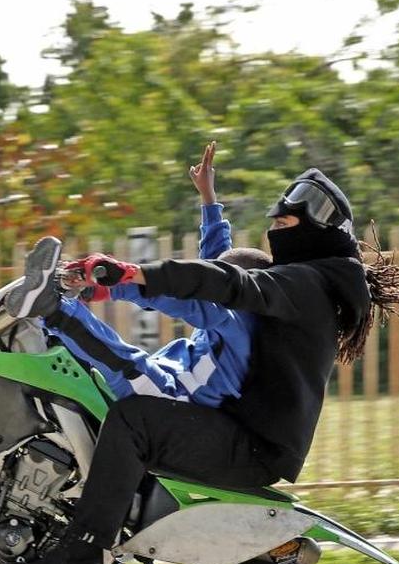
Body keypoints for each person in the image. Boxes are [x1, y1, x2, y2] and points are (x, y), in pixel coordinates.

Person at [2, 167, 399, 564]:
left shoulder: (306, 286)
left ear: (322, 229)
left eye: (284, 223)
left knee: (132, 409)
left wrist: (126, 276)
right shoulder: (303, 286)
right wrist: (210, 203)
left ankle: (83, 555)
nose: (276, 230)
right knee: (99, 382)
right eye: (272, 224)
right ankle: (37, 326)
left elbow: (217, 283)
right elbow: (219, 267)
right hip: (234, 427)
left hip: (249, 447)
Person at [45, 141, 267, 407]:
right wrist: (209, 199)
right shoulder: (234, 303)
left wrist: (110, 287)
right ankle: (27, 328)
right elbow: (212, 266)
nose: (212, 283)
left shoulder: (234, 322)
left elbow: (174, 296)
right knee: (74, 355)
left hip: (176, 399)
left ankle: (53, 310)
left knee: (124, 363)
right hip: (168, 376)